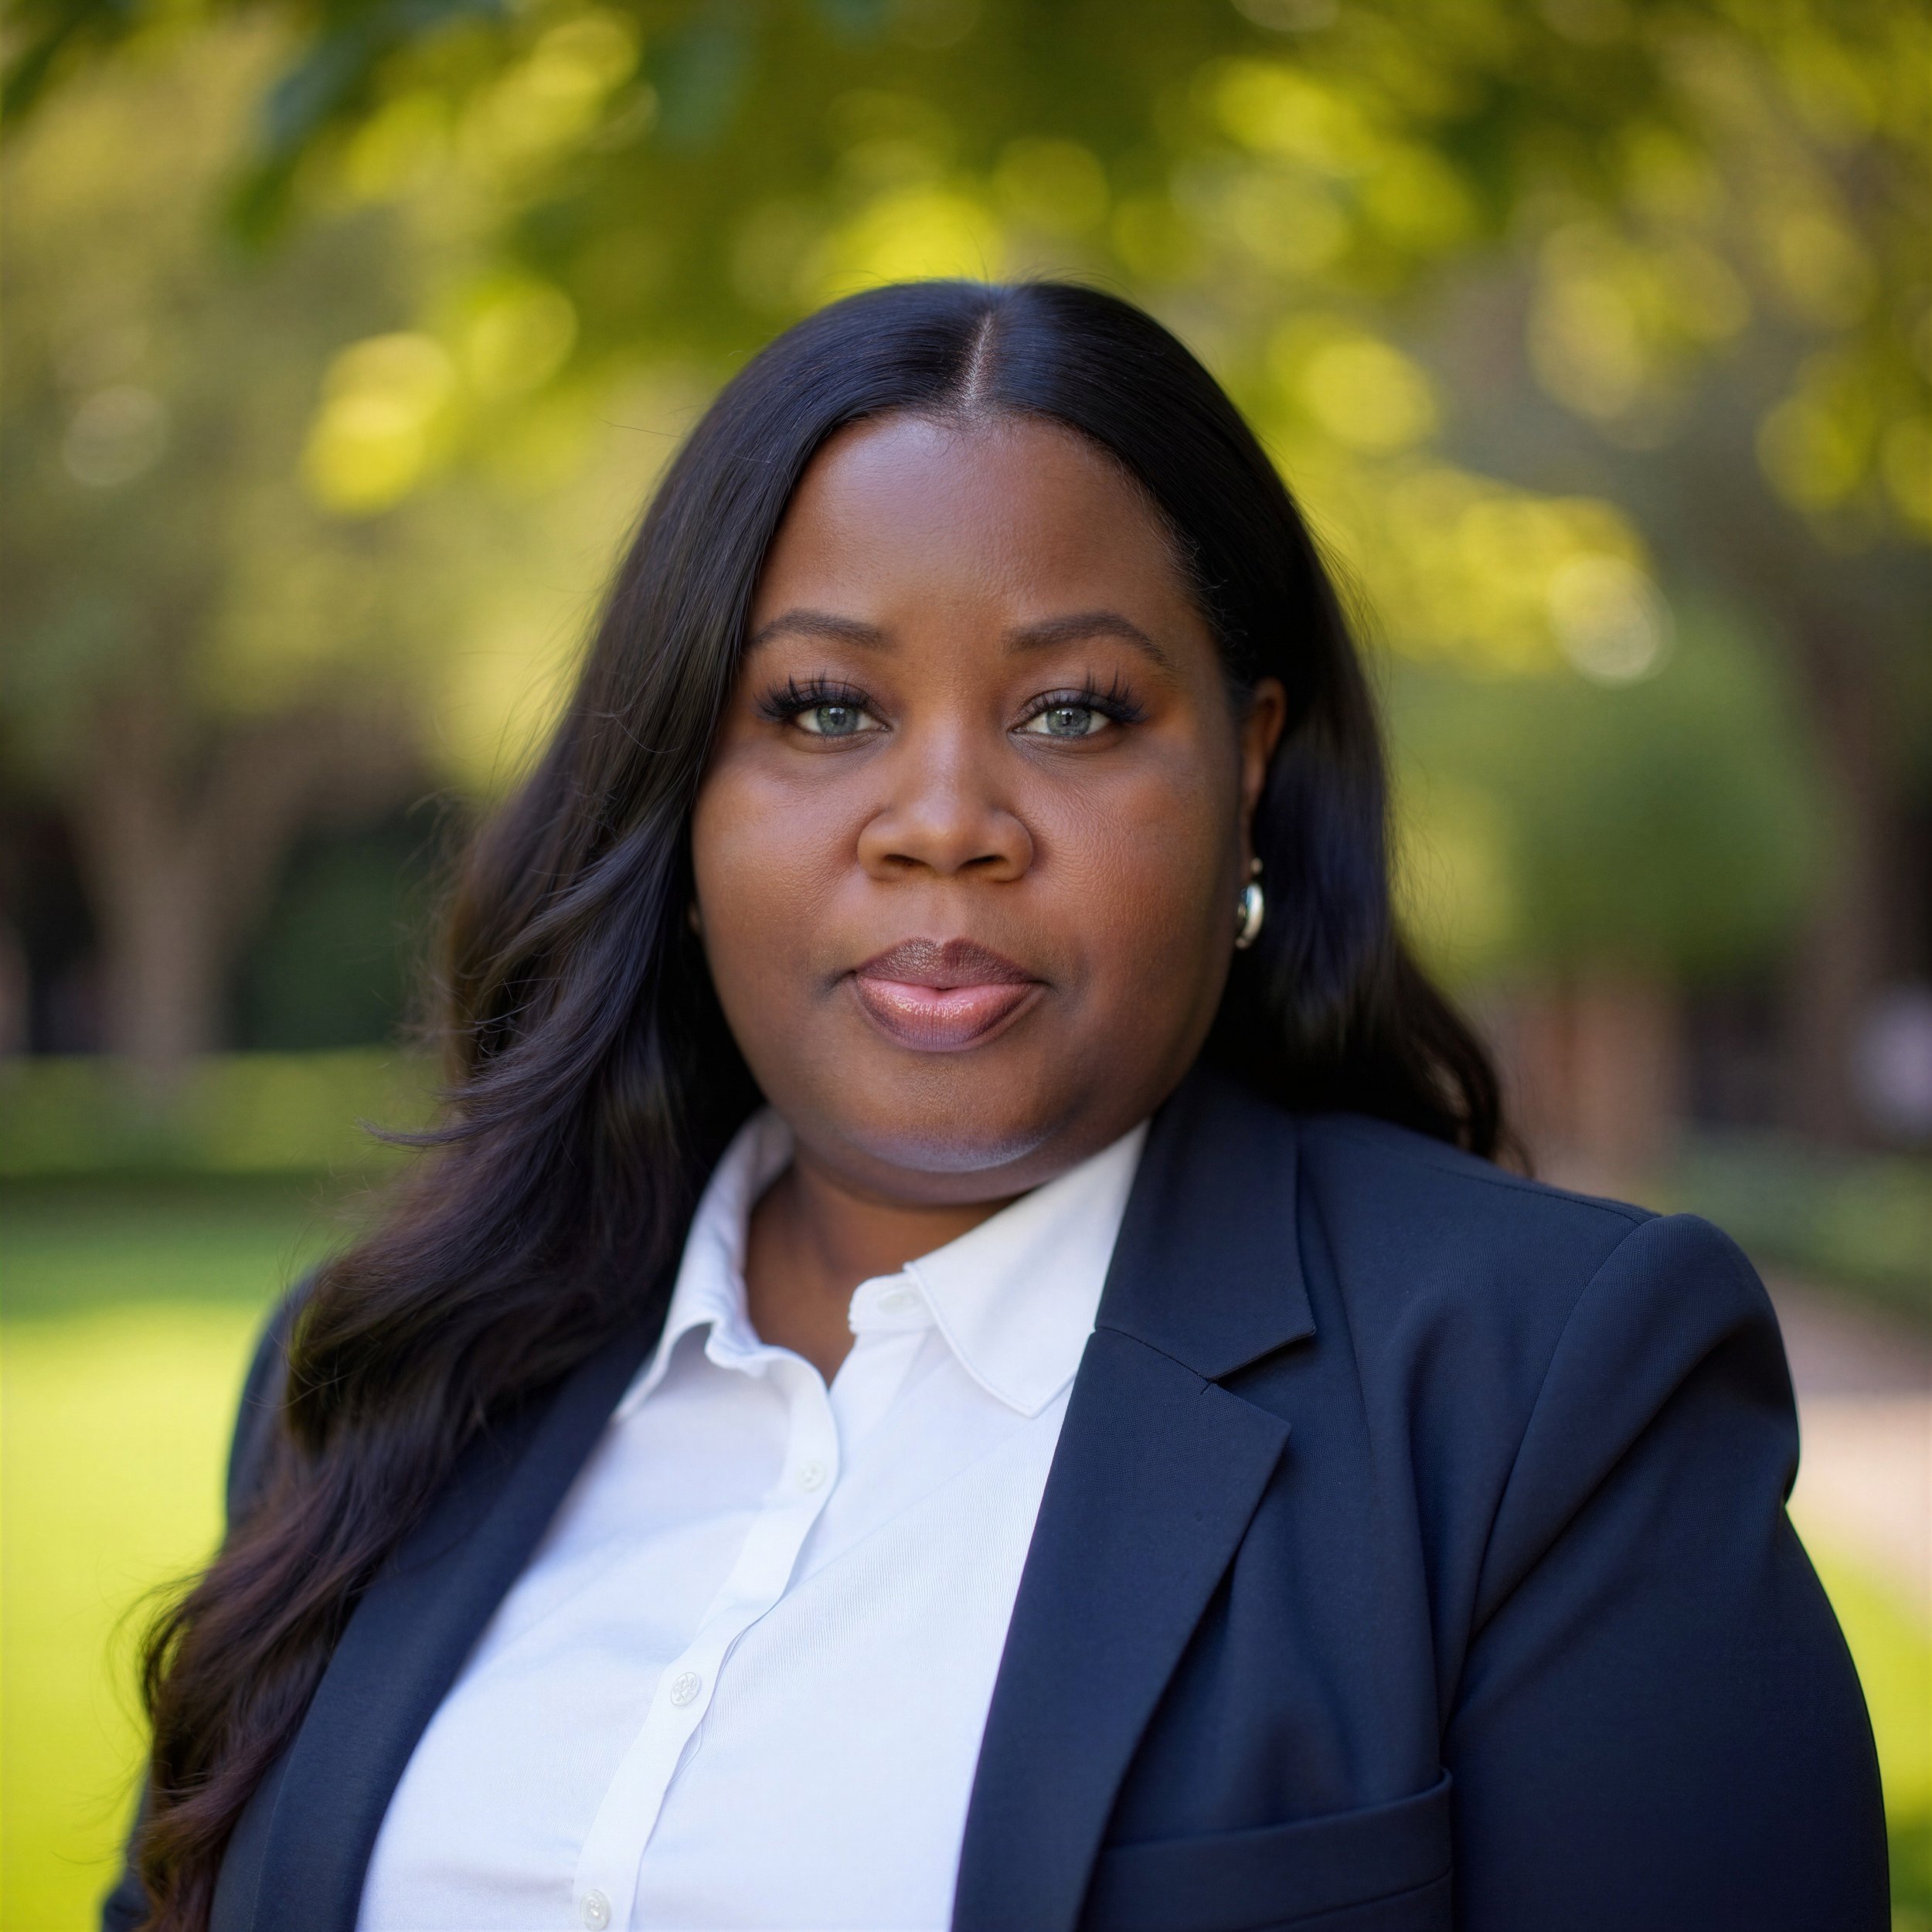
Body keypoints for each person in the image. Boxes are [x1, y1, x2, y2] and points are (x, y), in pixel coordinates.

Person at [105, 280, 1885, 1932]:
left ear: (1245, 765)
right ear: (680, 788)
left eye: (1071, 712)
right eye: (820, 708)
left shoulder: (1537, 1396)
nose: (943, 816)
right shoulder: (385, 1376)